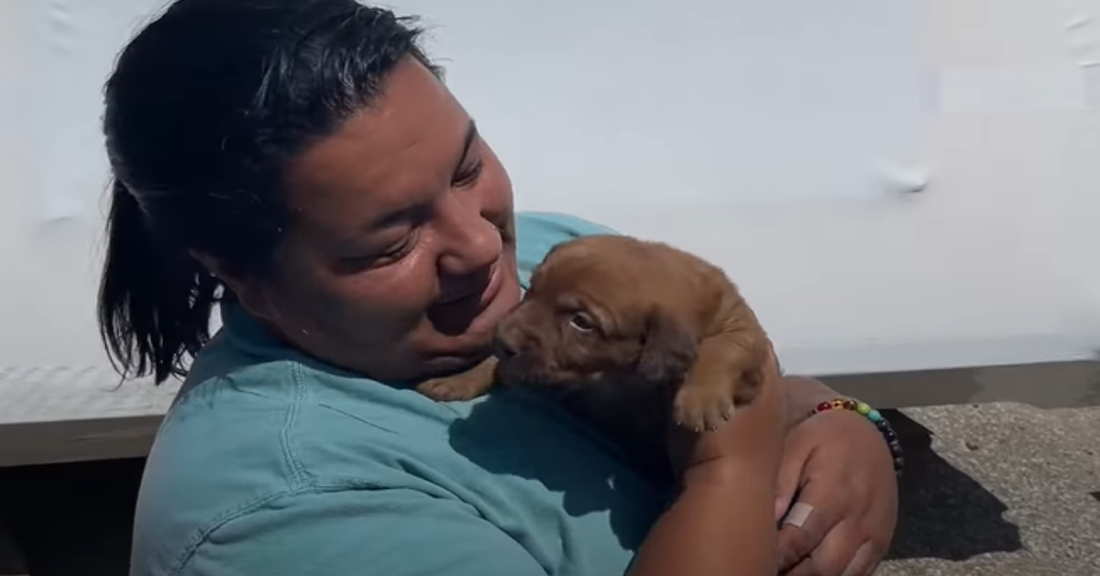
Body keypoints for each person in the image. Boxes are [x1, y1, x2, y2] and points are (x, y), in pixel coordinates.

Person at [97, 1, 899, 575]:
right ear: (242, 277)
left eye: (467, 166)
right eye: (394, 239)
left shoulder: (553, 256)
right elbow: (729, 443)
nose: (483, 245)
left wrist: (842, 421)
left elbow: (717, 390)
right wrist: (734, 473)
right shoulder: (290, 514)